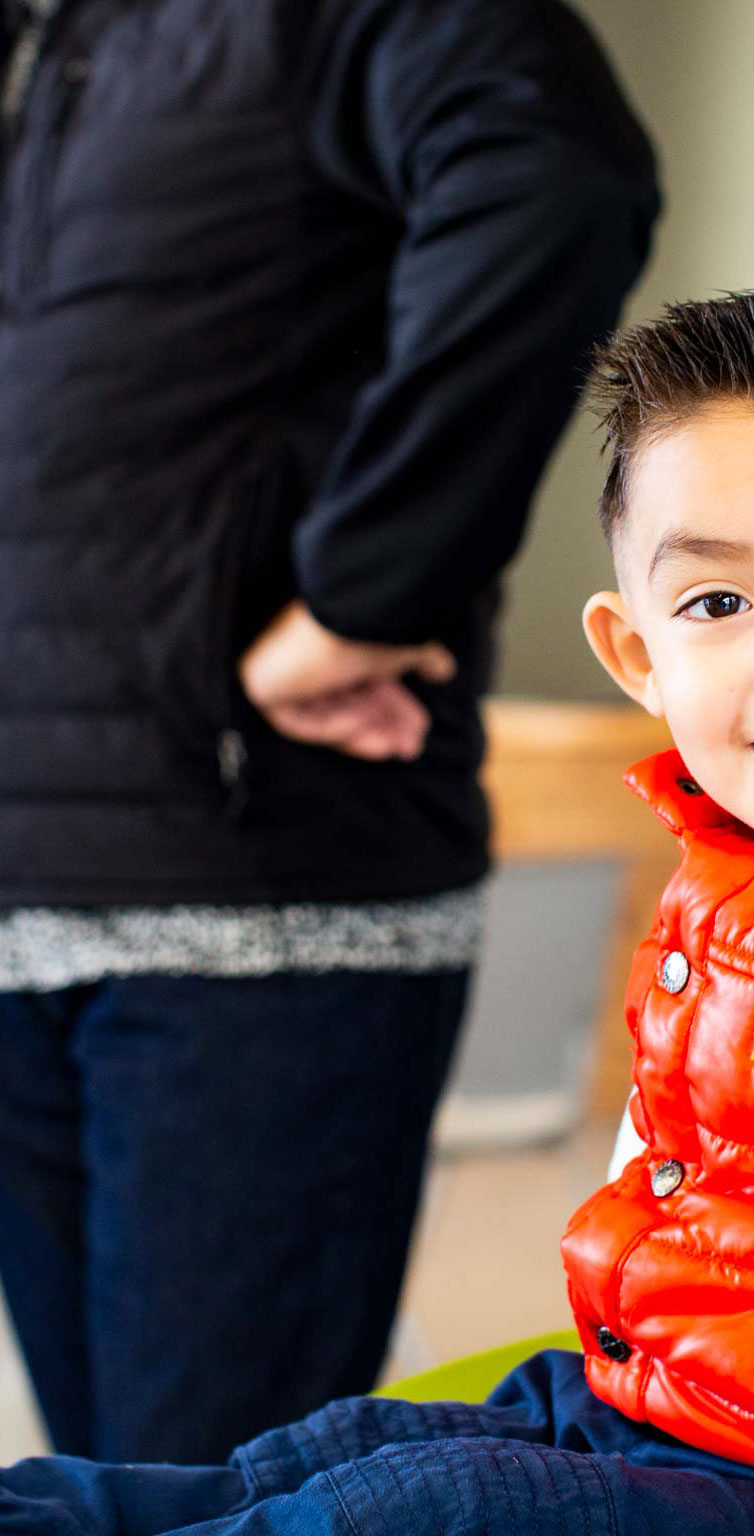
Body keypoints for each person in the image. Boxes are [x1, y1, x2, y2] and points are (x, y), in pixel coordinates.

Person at [1, 280, 754, 1536]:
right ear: (637, 653)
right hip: (665, 1398)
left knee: (425, 1513)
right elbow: (668, 1138)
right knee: (322, 1457)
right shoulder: (729, 855)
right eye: (717, 603)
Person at [0, 0, 658, 1464]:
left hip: (261, 890)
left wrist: (364, 590)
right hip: (27, 879)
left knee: (227, 1487)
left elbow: (552, 179)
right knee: (100, 1482)